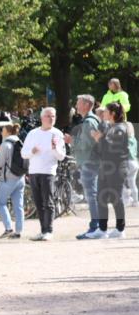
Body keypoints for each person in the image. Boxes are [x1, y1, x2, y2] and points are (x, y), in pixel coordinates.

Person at [21, 107, 66, 241]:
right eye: (48, 116)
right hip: (34, 171)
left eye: (53, 116)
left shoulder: (57, 133)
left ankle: (49, 230)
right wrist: (32, 152)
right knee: (39, 203)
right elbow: (24, 153)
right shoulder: (32, 133)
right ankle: (43, 230)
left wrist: (55, 149)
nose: (51, 118)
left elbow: (61, 156)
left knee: (48, 202)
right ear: (41, 118)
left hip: (48, 172)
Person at [64, 94, 102, 238]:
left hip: (89, 162)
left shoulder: (88, 122)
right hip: (93, 162)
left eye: (78, 103)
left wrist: (71, 140)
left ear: (86, 105)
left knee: (91, 195)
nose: (76, 105)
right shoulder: (92, 121)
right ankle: (98, 226)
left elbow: (86, 145)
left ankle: (95, 227)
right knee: (94, 195)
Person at [90, 102, 129, 238]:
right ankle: (102, 229)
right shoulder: (109, 127)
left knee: (115, 198)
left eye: (106, 111)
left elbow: (113, 149)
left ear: (112, 113)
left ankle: (120, 229)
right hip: (105, 167)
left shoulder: (120, 128)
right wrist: (97, 141)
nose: (103, 113)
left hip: (117, 168)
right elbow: (102, 150)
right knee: (101, 197)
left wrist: (99, 138)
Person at [0, 123, 26, 239]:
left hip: (8, 179)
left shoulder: (5, 144)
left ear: (8, 132)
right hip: (20, 177)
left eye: (3, 130)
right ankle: (19, 231)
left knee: (1, 203)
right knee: (18, 205)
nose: (1, 132)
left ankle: (8, 228)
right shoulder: (19, 142)